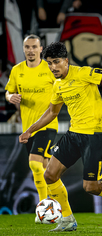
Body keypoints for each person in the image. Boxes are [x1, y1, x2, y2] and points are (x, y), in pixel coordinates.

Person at [18, 42, 102, 232]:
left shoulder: (84, 73)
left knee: (91, 187)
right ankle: (68, 220)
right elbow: (52, 112)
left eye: (56, 62)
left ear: (66, 61)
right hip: (74, 134)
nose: (53, 67)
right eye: (50, 63)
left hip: (95, 135)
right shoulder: (58, 85)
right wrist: (30, 130)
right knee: (50, 175)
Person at [5, 35, 58, 223]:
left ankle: (43, 208)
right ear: (23, 48)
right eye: (27, 47)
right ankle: (56, 207)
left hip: (48, 125)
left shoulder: (50, 69)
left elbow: (63, 88)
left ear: (40, 49)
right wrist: (10, 97)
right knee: (46, 170)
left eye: (34, 47)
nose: (30, 50)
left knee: (34, 164)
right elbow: (8, 91)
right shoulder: (17, 70)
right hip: (28, 128)